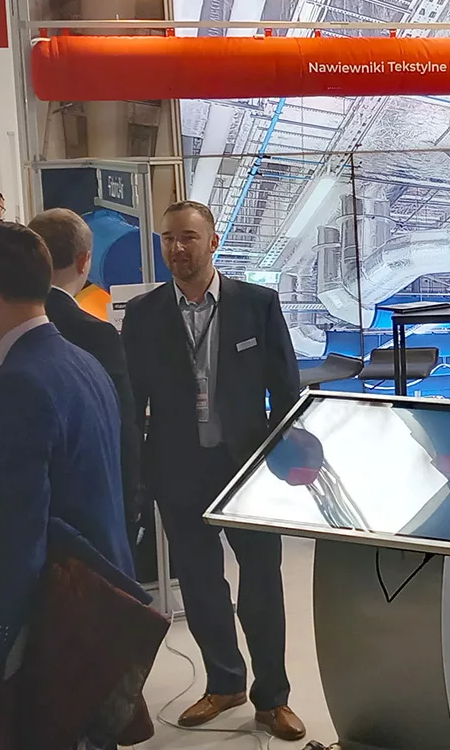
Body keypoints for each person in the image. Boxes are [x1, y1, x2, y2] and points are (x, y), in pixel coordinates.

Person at [122, 201, 304, 738]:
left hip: (247, 471)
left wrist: (283, 463)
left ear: (213, 242)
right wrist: (137, 477)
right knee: (201, 586)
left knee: (262, 584)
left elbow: (285, 389)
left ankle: (272, 697)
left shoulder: (256, 304)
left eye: (188, 237)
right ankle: (224, 683)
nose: (177, 248)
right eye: (168, 238)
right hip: (179, 471)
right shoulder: (145, 313)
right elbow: (132, 401)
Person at [0, 223, 135, 734]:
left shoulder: (16, 385)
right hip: (96, 605)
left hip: (47, 625)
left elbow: (18, 533)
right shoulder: (82, 360)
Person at [30, 208, 142, 527]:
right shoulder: (96, 334)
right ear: (83, 262)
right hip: (86, 499)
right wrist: (131, 498)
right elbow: (121, 421)